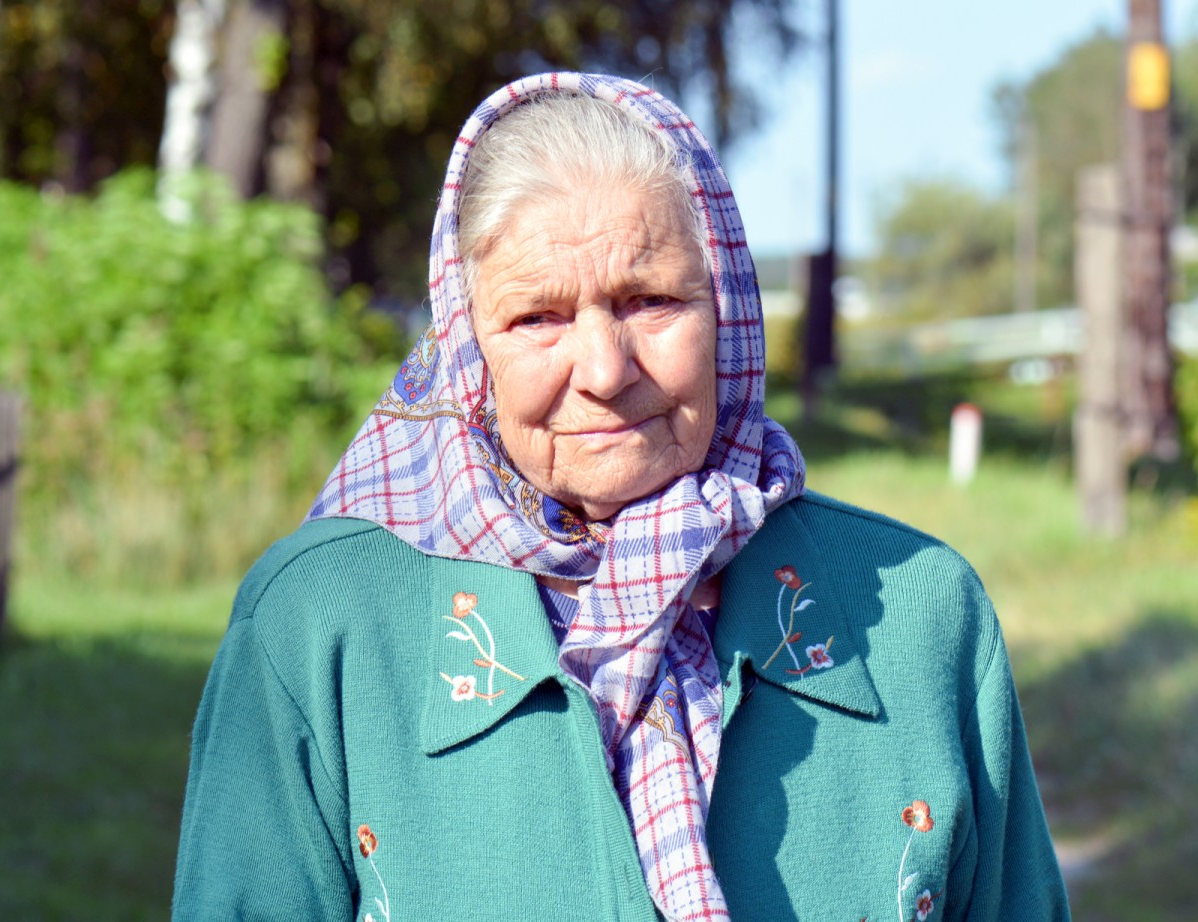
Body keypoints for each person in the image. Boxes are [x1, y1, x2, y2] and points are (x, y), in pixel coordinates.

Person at [174, 72, 1071, 921]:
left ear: (725, 309)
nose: (604, 371)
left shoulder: (920, 613)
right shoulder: (322, 625)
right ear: (467, 344)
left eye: (649, 302)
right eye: (538, 318)